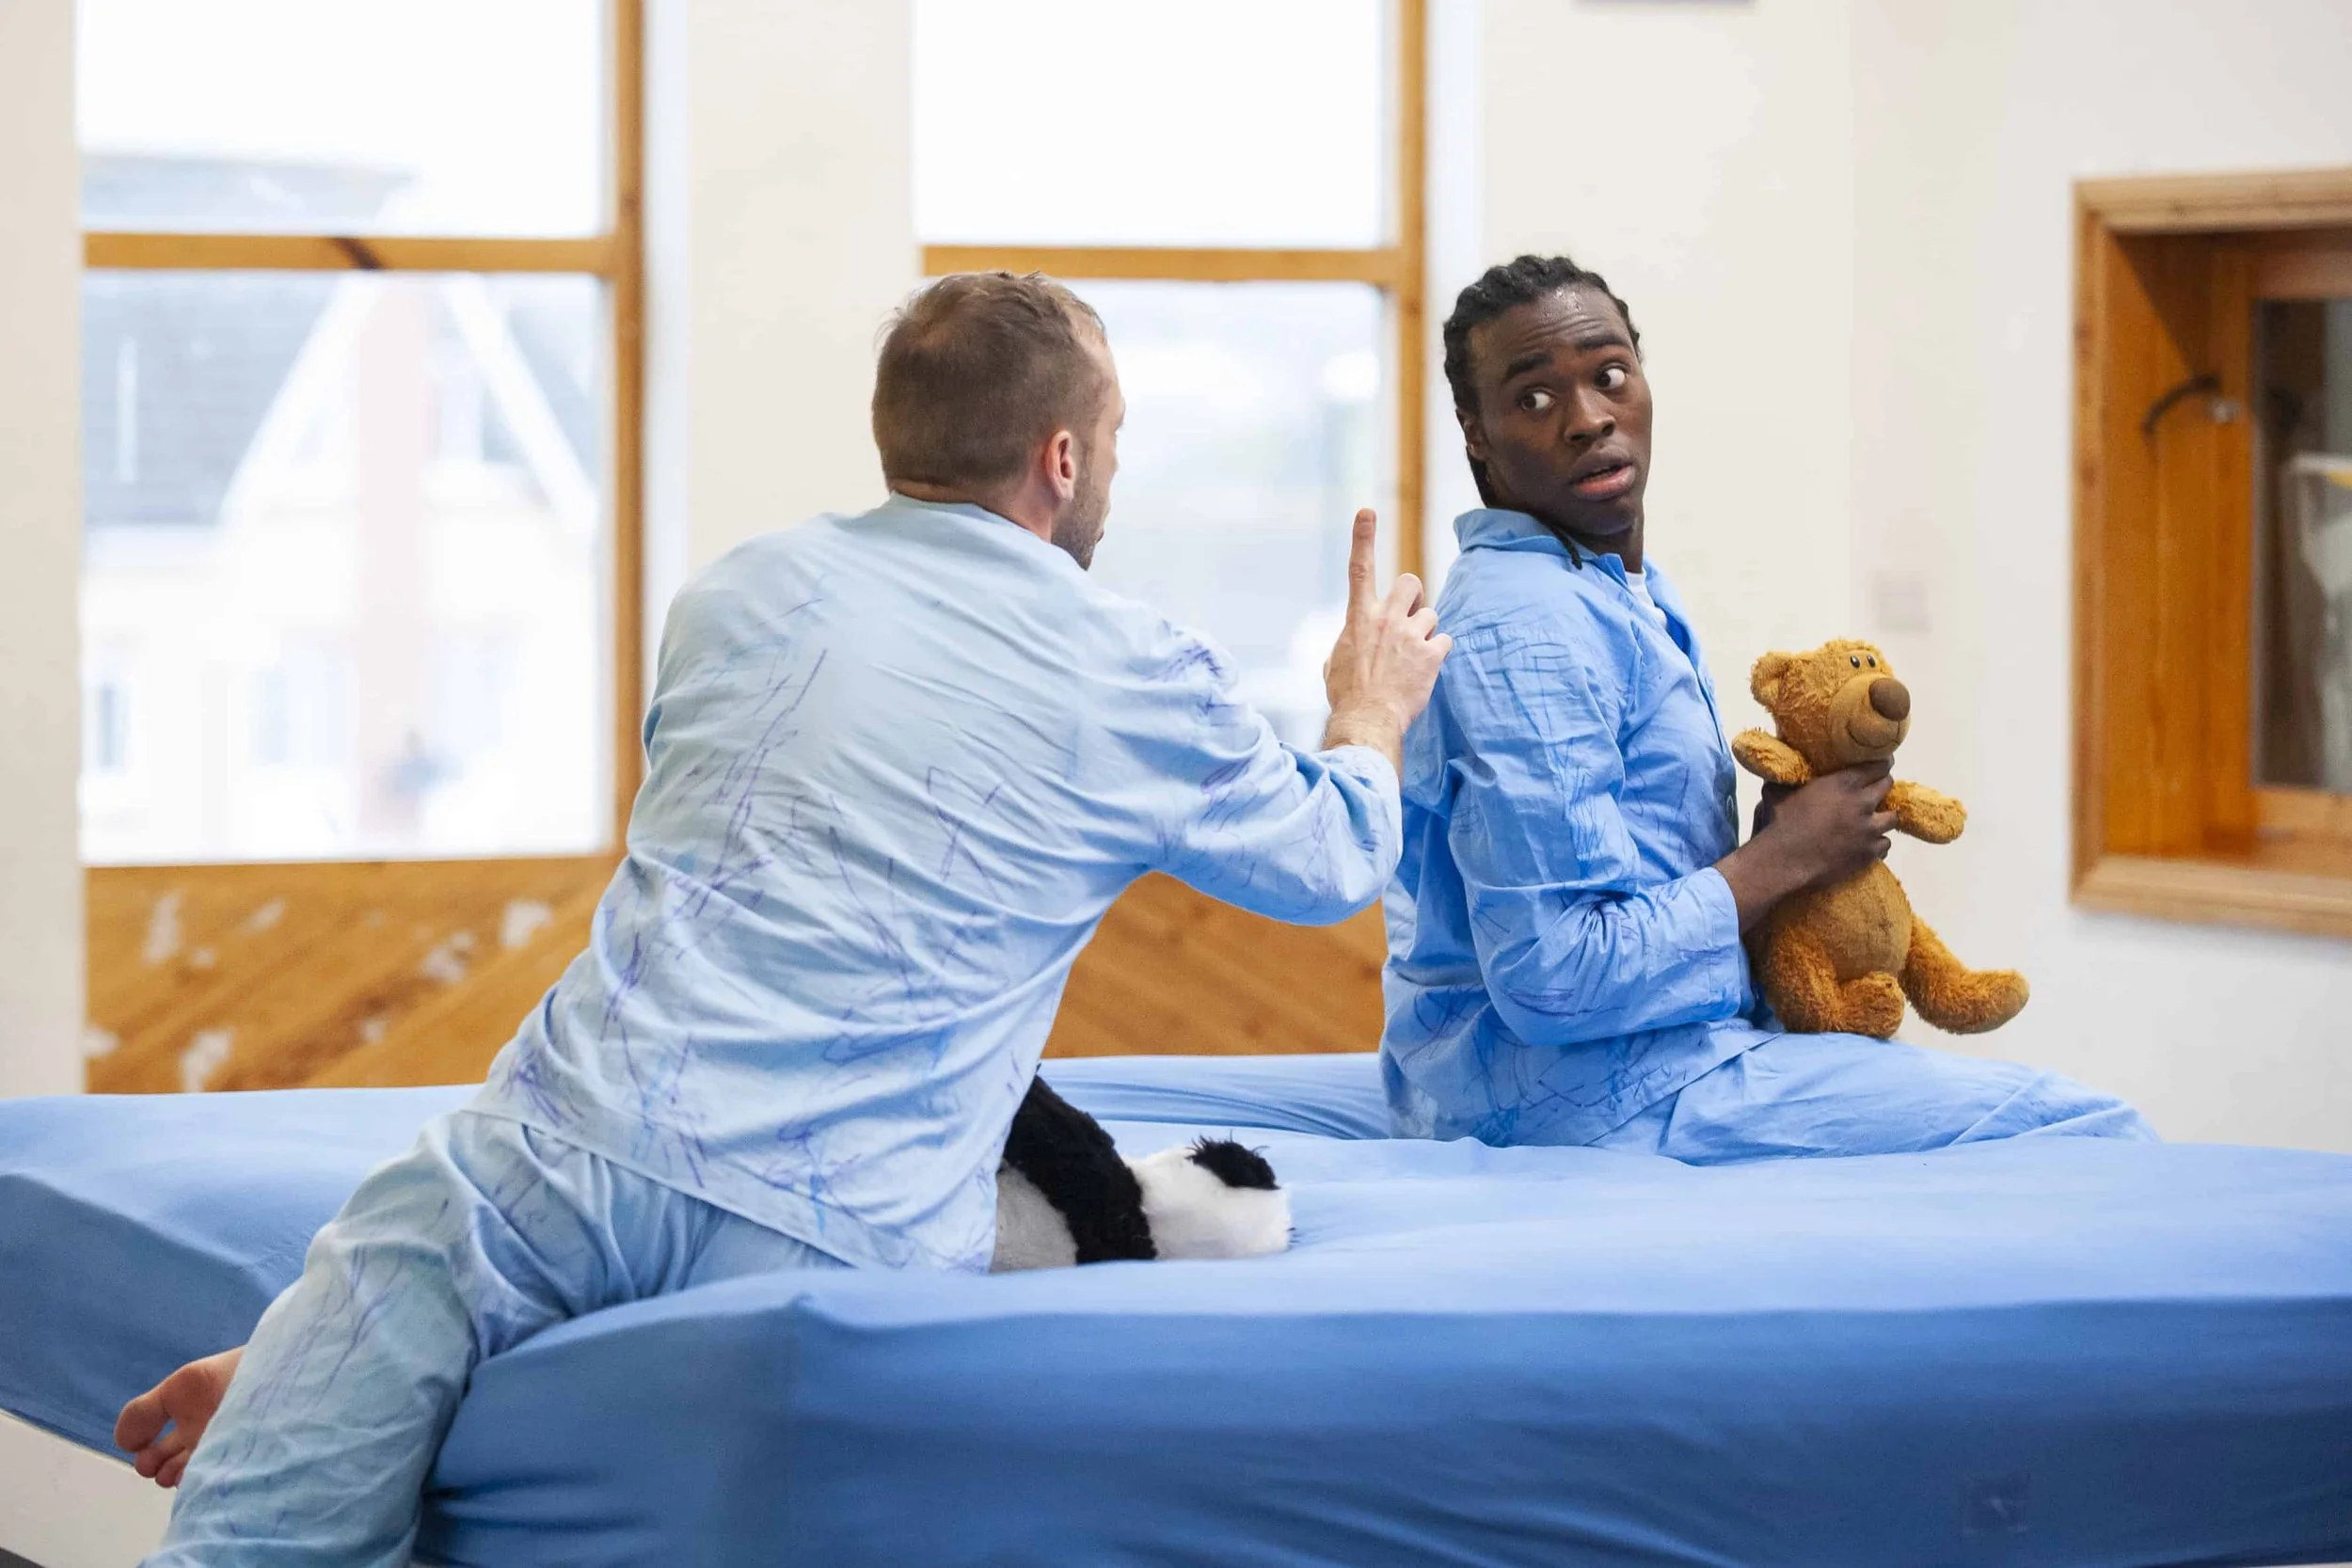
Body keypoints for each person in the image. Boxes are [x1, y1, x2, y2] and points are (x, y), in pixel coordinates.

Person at [124, 271, 1451, 1565]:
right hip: (837, 1227)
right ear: (1062, 457)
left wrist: (316, 1353)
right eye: (1111, 437)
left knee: (313, 1421)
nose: (1110, 464)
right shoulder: (1132, 666)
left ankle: (336, 1369)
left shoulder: (735, 592)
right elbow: (1331, 857)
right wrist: (1368, 705)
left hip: (557, 1152)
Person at [1382, 253, 2153, 1156]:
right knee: (2092, 1132)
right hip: (1588, 1094)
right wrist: (1783, 858)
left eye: (1610, 375)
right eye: (1536, 398)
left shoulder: (1603, 584)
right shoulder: (1529, 629)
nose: (1588, 417)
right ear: (1476, 433)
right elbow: (1555, 977)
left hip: (1640, 1056)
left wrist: (1783, 844)